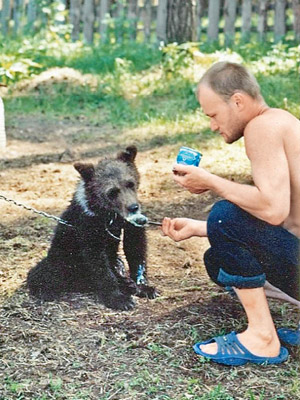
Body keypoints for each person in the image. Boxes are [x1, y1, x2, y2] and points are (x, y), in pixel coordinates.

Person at [161, 61, 300, 366]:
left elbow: (273, 210)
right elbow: (287, 218)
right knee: (217, 259)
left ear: (237, 101)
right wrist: (201, 227)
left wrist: (210, 182)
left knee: (224, 214)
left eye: (213, 114)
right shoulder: (282, 121)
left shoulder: (261, 128)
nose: (212, 125)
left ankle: (263, 340)